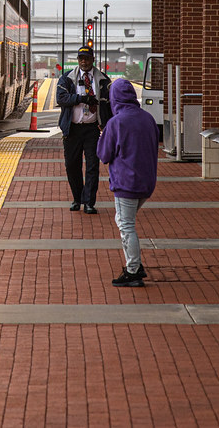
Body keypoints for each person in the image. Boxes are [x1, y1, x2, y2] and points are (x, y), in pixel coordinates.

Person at [96, 77, 158, 287]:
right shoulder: (147, 118)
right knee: (125, 220)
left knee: (126, 225)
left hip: (126, 183)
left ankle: (133, 269)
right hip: (147, 182)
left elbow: (104, 154)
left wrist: (102, 136)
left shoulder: (116, 122)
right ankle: (134, 267)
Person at [56, 45, 111, 214]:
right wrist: (81, 98)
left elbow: (109, 105)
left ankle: (89, 202)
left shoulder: (103, 80)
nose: (84, 62)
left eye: (87, 59)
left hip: (92, 129)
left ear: (93, 60)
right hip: (72, 129)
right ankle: (77, 198)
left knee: (92, 166)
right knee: (72, 165)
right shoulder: (67, 78)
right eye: (81, 59)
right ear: (78, 60)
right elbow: (61, 98)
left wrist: (108, 125)